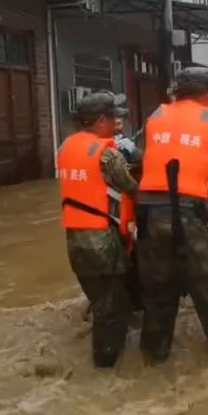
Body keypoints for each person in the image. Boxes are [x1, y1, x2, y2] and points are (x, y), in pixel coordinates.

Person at [134, 67, 208, 370]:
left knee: (158, 291)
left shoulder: (154, 118)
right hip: (189, 215)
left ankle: (152, 358)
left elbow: (138, 158)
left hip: (148, 216)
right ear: (206, 93)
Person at [57, 91, 137, 368]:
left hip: (75, 240)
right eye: (113, 117)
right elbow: (130, 186)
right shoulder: (105, 153)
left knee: (100, 299)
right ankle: (104, 368)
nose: (116, 121)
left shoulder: (65, 146)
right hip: (102, 240)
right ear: (101, 119)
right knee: (111, 310)